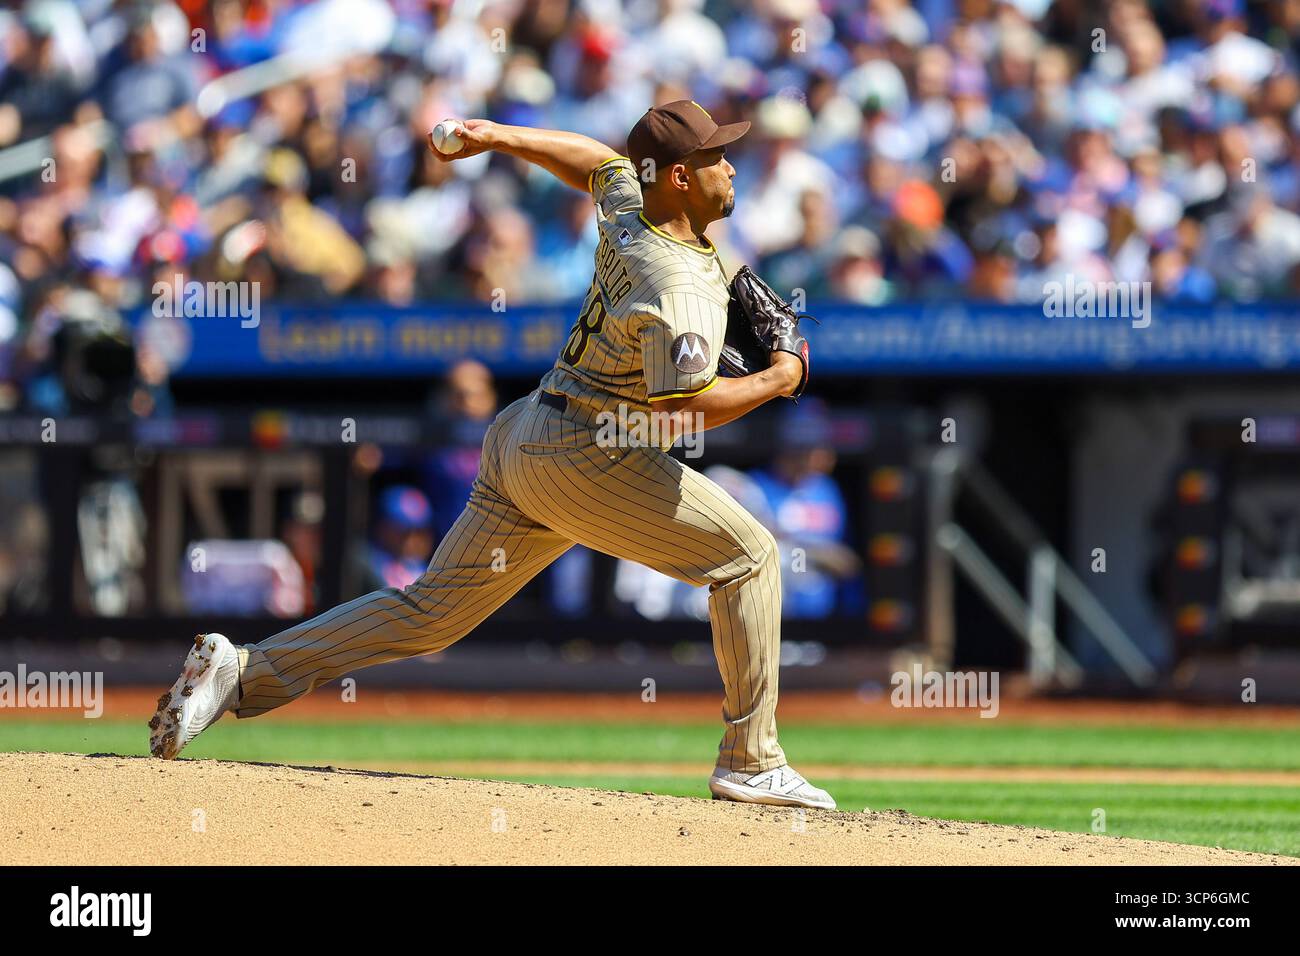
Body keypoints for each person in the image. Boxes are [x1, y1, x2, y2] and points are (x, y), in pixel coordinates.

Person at [149, 100, 835, 810]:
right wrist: (778, 377)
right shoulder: (680, 281)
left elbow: (596, 162)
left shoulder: (634, 205)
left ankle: (245, 671)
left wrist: (498, 136)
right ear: (681, 181)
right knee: (749, 555)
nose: (729, 165)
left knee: (431, 613)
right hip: (589, 453)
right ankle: (752, 761)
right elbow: (679, 409)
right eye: (713, 157)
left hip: (529, 431)